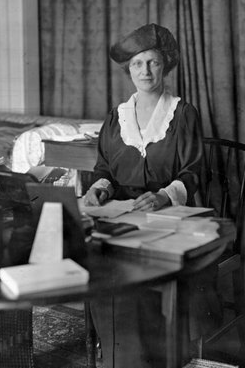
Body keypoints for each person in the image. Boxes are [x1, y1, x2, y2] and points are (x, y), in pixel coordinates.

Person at [83, 23, 220, 367]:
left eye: (153, 63)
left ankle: (155, 359)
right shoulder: (116, 117)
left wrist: (163, 196)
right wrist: (100, 188)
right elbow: (104, 169)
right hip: (124, 214)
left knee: (142, 266)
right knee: (100, 261)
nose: (145, 71)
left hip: (170, 216)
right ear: (128, 70)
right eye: (137, 64)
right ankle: (118, 357)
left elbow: (194, 172)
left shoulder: (183, 114)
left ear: (165, 65)